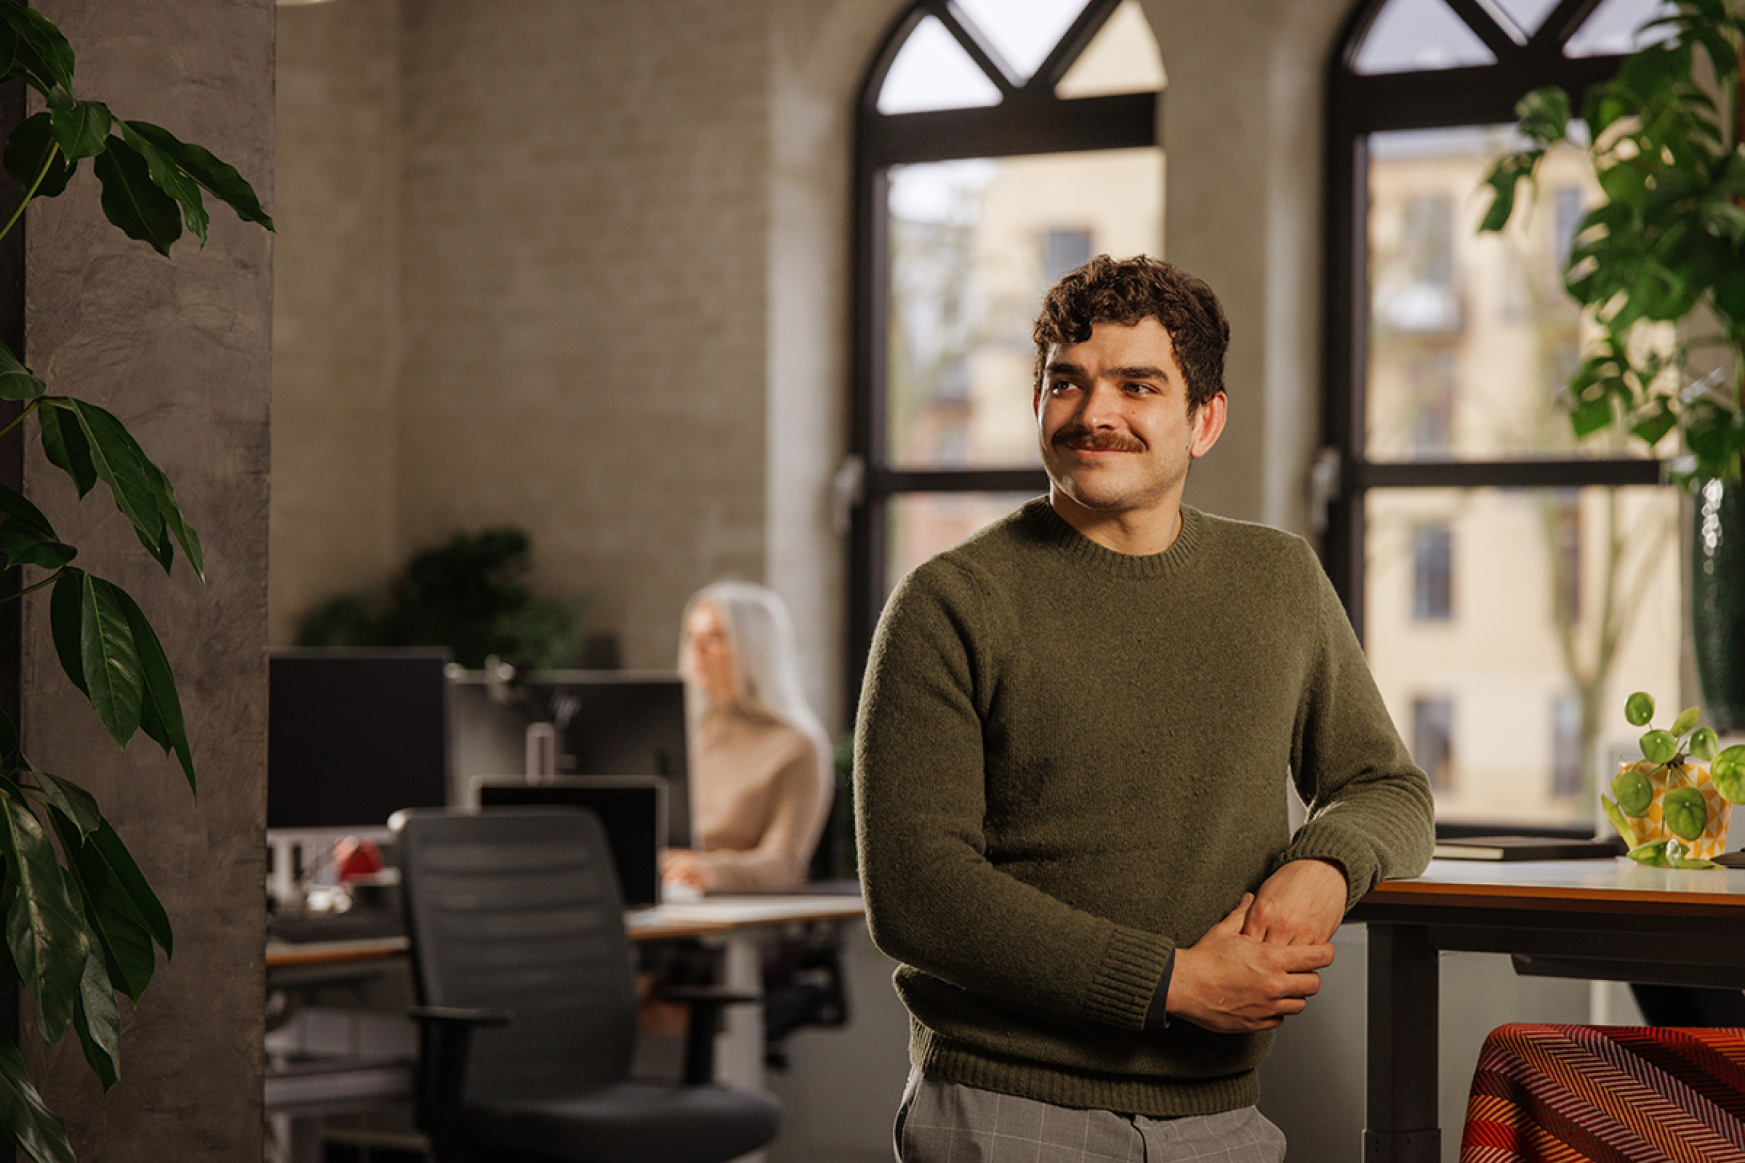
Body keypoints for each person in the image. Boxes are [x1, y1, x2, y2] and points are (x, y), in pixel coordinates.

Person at [854, 254, 1435, 1162]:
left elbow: (1386, 786)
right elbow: (916, 890)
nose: (1096, 414)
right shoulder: (948, 601)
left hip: (1224, 1118)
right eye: (1066, 383)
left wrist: (1323, 866)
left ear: (1204, 419)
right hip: (1008, 1107)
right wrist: (1171, 983)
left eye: (1137, 385)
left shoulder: (1277, 579)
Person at [663, 581, 834, 893]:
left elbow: (784, 864)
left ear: (755, 648)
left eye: (713, 638)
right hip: (666, 898)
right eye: (691, 637)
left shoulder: (797, 746)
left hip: (733, 917)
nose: (696, 652)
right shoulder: (682, 733)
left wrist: (712, 871)